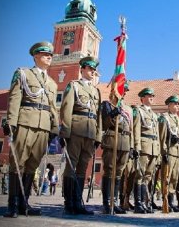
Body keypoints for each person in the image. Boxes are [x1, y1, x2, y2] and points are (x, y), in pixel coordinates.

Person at [2, 41, 59, 217]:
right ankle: (12, 205)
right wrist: (11, 122)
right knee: (17, 164)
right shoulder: (23, 74)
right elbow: (14, 99)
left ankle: (24, 203)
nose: (49, 57)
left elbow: (52, 108)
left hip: (43, 127)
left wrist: (55, 128)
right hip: (25, 123)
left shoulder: (52, 83)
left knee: (32, 166)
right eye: (45, 54)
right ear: (35, 56)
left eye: (50, 55)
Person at [59, 56, 102, 215]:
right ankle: (69, 202)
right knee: (71, 167)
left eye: (94, 70)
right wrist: (65, 132)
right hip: (76, 131)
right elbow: (66, 110)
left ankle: (78, 202)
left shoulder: (96, 91)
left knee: (82, 169)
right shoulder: (74, 86)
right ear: (82, 69)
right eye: (90, 69)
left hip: (90, 133)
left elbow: (97, 115)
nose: (92, 72)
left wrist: (98, 136)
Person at [100, 82, 132, 214]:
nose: (123, 92)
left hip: (125, 142)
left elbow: (131, 129)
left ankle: (115, 201)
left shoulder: (128, 109)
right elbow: (104, 123)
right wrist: (113, 113)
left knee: (119, 173)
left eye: (124, 90)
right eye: (121, 89)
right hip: (112, 140)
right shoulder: (107, 105)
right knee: (109, 171)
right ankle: (107, 202)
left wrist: (132, 146)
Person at [132, 87, 160, 214]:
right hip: (143, 146)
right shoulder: (139, 111)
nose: (151, 97)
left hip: (154, 148)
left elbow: (157, 135)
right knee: (140, 175)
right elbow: (136, 130)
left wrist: (158, 151)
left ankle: (144, 202)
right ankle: (138, 203)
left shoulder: (154, 115)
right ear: (142, 98)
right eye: (148, 96)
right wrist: (136, 146)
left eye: (152, 95)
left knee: (148, 176)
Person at [159, 95, 179, 213]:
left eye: (178, 104)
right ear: (169, 105)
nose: (177, 106)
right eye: (175, 104)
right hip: (169, 151)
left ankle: (171, 202)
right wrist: (164, 151)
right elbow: (162, 137)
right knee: (167, 177)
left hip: (178, 152)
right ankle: (165, 200)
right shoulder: (164, 118)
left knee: (175, 178)